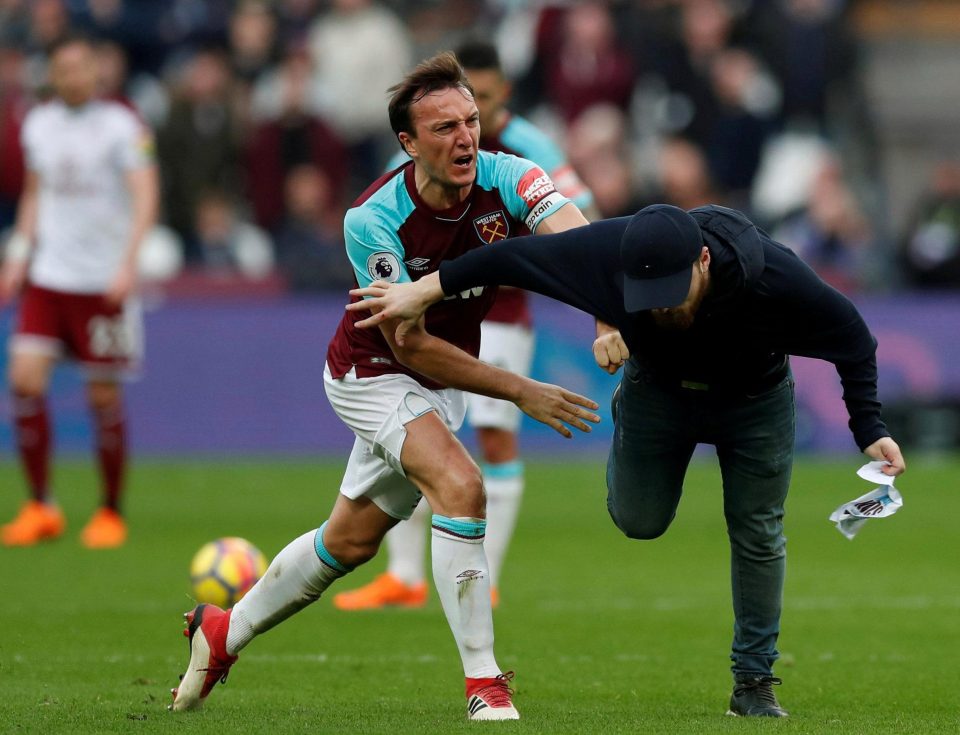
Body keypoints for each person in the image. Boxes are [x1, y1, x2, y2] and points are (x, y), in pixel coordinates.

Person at [347, 202, 907, 718]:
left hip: (755, 401)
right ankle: (632, 411)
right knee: (639, 521)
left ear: (704, 261)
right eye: (648, 295)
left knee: (758, 531)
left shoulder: (774, 280)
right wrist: (425, 290)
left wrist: (869, 427)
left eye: (672, 290)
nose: (661, 305)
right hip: (658, 392)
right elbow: (510, 256)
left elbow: (854, 337)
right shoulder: (603, 251)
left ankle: (753, 682)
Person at [169, 52, 600, 721]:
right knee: (462, 485)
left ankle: (225, 631)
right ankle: (484, 683)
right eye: (444, 129)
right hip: (370, 374)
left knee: (348, 542)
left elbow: (581, 244)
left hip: (440, 383)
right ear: (408, 143)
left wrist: (607, 312)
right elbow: (409, 340)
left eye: (470, 121)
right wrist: (521, 389)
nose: (465, 138)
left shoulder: (509, 175)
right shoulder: (373, 217)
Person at [334, 39, 597, 612]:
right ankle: (404, 575)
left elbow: (582, 223)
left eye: (476, 111)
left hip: (499, 314)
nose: (466, 129)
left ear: (500, 95)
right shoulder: (391, 189)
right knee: (427, 451)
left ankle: (488, 574)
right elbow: (388, 216)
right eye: (451, 117)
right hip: (421, 330)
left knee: (491, 440)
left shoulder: (526, 150)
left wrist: (604, 306)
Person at [0, 34, 159, 548]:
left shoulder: (123, 127)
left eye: (80, 67)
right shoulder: (38, 123)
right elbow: (34, 193)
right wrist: (19, 257)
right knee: (24, 379)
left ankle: (110, 510)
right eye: (62, 69)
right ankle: (40, 505)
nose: (71, 77)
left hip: (102, 283)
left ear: (96, 72)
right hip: (49, 277)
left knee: (101, 395)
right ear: (53, 74)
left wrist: (128, 266)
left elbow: (145, 194)